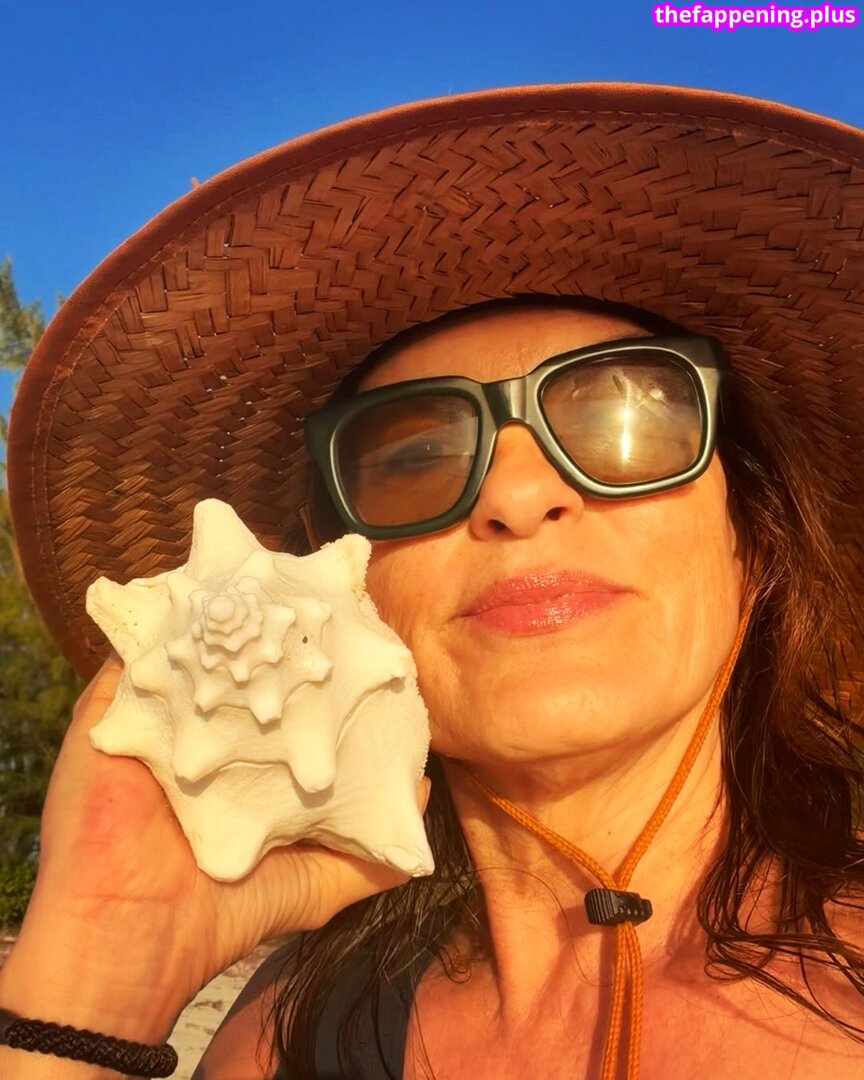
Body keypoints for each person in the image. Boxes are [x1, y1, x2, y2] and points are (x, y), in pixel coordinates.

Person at [0, 83, 862, 1080]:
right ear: (340, 588)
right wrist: (100, 963)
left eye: (624, 418)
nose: (519, 495)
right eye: (412, 458)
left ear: (754, 536)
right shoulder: (272, 1050)